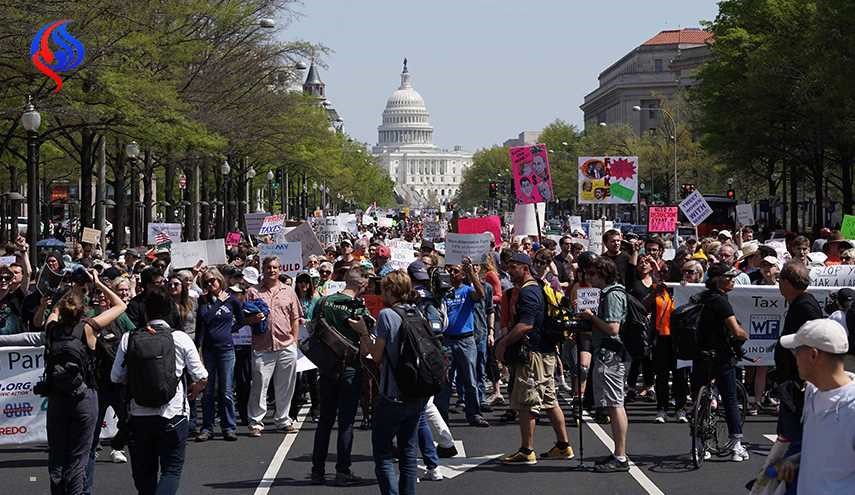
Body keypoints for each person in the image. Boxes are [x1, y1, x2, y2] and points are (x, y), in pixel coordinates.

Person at [111, 286, 208, 495]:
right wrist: (195, 389)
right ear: (169, 311)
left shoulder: (129, 338)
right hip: (173, 414)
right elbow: (201, 375)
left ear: (146, 312)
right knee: (171, 471)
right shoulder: (181, 338)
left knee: (144, 473)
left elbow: (116, 376)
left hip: (139, 415)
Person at [44, 270, 127, 494]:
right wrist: (99, 284)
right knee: (79, 456)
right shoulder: (89, 328)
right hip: (84, 397)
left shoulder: (51, 329)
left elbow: (54, 311)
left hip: (57, 398)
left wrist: (65, 291)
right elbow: (120, 306)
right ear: (82, 311)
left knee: (57, 455)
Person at [350, 270, 431, 494]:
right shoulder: (417, 312)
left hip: (393, 393)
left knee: (383, 453)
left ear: (391, 290)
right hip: (416, 392)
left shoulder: (387, 315)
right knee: (407, 452)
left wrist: (363, 332)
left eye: (383, 288)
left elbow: (376, 356)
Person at [495, 253, 574, 465]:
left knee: (527, 402)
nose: (509, 270)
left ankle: (526, 450)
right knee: (549, 400)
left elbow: (526, 324)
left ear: (525, 268)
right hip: (545, 352)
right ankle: (563, 446)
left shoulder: (529, 292)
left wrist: (503, 343)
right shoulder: (538, 286)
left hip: (533, 354)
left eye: (513, 267)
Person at [777, 319, 855, 494]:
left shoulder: (851, 410)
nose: (794, 357)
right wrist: (794, 460)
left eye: (796, 351)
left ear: (813, 355)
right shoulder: (812, 391)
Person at [311, 266, 371, 486]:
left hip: (327, 367)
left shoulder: (325, 302)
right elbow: (365, 346)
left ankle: (317, 470)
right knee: (345, 422)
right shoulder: (358, 307)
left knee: (325, 420)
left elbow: (313, 328)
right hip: (349, 368)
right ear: (361, 285)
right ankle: (342, 471)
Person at [692, 262, 751, 462]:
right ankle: (736, 445)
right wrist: (745, 334)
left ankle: (701, 444)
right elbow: (735, 330)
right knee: (730, 399)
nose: (733, 280)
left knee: (699, 402)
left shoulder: (700, 298)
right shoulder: (721, 301)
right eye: (729, 277)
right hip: (721, 356)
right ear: (717, 279)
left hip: (700, 354)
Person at [578, 257, 631, 472]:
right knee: (612, 403)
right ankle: (618, 453)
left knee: (615, 403)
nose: (589, 278)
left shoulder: (613, 295)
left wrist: (591, 317)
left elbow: (613, 328)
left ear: (603, 274)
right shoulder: (607, 294)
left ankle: (620, 456)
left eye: (592, 274)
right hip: (607, 352)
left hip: (612, 354)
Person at [771, 261, 823, 469]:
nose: (778, 285)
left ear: (788, 282)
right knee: (786, 433)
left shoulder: (805, 306)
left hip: (797, 382)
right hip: (791, 378)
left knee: (792, 436)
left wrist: (806, 377)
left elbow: (814, 342)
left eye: (780, 280)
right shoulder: (799, 303)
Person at [246, 257, 301, 436]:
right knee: (260, 384)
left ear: (280, 269)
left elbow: (295, 317)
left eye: (275, 267)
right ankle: (255, 422)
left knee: (285, 385)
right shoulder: (253, 292)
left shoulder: (289, 291)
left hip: (286, 344)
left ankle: (283, 420)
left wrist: (295, 340)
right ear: (263, 269)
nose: (272, 270)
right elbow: (244, 317)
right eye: (268, 267)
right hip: (263, 346)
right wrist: (252, 319)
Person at [436, 258, 489, 427]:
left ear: (462, 274)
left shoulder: (467, 291)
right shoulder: (443, 292)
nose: (452, 274)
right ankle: (442, 417)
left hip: (466, 340)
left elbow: (481, 294)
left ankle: (474, 413)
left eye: (455, 271)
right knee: (444, 381)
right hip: (447, 341)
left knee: (470, 379)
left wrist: (471, 272)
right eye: (449, 270)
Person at [194, 267, 244, 442]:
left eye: (213, 280)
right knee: (208, 391)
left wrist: (231, 330)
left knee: (226, 391)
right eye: (206, 281)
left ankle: (229, 427)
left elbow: (242, 318)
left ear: (220, 280)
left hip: (226, 350)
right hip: (208, 350)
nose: (210, 284)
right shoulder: (203, 300)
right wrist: (216, 303)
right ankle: (207, 427)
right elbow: (204, 320)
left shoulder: (231, 300)